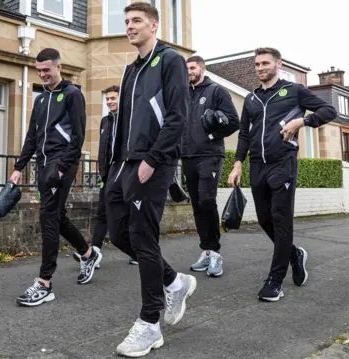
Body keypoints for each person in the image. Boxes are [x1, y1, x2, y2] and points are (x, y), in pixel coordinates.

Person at [108, 3, 198, 357]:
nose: (129, 27)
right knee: (118, 234)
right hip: (124, 166)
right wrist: (114, 168)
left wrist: (153, 159)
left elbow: (178, 116)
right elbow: (124, 121)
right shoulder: (131, 69)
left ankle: (149, 324)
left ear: (154, 25)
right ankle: (176, 282)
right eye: (126, 21)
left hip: (153, 162)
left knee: (143, 239)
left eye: (136, 21)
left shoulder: (170, 60)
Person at [227, 47, 336, 302]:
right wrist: (238, 163)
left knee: (280, 219)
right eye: (256, 64)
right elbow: (244, 133)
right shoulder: (252, 98)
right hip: (257, 166)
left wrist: (302, 122)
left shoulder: (294, 91)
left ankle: (275, 281)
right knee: (265, 219)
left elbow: (328, 111)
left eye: (265, 63)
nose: (260, 68)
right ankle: (294, 254)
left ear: (278, 64)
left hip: (283, 163)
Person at [9, 48, 101, 307]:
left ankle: (44, 282)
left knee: (48, 217)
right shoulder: (40, 100)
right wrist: (19, 167)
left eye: (46, 70)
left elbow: (78, 136)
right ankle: (87, 253)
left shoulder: (73, 95)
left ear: (59, 67)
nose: (42, 75)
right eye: (39, 71)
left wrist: (61, 168)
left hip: (61, 165)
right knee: (57, 216)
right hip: (42, 164)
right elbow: (31, 136)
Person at [181, 56, 240, 277]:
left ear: (202, 69)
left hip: (210, 155)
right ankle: (205, 251)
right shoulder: (184, 93)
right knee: (197, 206)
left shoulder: (217, 91)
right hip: (188, 156)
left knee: (207, 201)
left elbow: (234, 121)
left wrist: (212, 134)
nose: (190, 72)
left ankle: (215, 253)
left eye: (193, 68)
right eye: (187, 69)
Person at [72, 85, 138, 266]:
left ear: (121, 98)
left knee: (130, 215)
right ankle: (96, 251)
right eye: (107, 99)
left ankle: (137, 252)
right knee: (102, 213)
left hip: (125, 176)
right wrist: (103, 172)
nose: (109, 102)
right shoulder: (105, 121)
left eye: (113, 98)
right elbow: (103, 150)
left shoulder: (129, 120)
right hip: (107, 176)